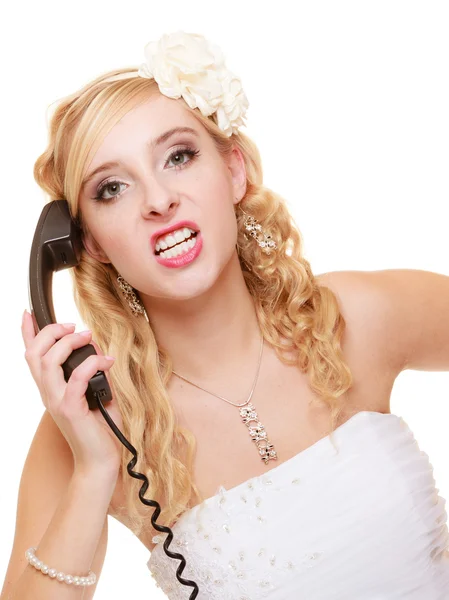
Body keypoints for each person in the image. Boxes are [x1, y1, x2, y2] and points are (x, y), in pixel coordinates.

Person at [2, 30, 449, 600]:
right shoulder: (91, 417)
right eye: (112, 188)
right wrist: (95, 469)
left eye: (179, 156)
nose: (158, 200)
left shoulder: (355, 317)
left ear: (234, 170)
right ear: (85, 244)